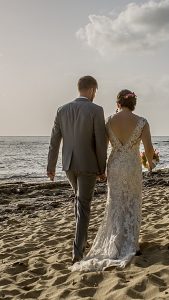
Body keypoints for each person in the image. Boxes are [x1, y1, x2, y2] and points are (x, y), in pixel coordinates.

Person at [70, 89, 156, 271]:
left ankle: (116, 242)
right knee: (132, 201)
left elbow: (101, 147)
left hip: (115, 165)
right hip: (132, 166)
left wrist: (100, 170)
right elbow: (148, 149)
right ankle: (131, 243)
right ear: (133, 104)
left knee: (115, 202)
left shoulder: (108, 121)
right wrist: (150, 162)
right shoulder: (142, 122)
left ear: (118, 104)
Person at [47, 75, 108, 264]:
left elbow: (54, 140)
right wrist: (101, 168)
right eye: (95, 92)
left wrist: (51, 166)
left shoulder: (62, 110)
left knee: (79, 203)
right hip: (88, 164)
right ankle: (78, 251)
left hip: (68, 165)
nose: (95, 95)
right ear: (91, 90)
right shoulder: (96, 110)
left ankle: (80, 241)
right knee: (83, 206)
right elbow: (100, 143)